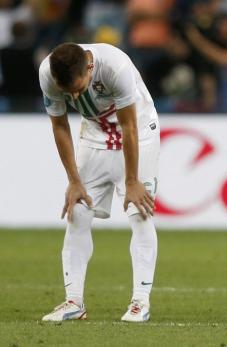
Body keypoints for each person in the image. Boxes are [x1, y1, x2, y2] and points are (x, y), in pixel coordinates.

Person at [38, 42, 160, 322]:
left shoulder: (115, 66)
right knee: (77, 212)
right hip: (94, 137)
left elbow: (128, 126)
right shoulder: (48, 73)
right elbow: (59, 125)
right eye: (68, 92)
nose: (75, 96)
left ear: (90, 68)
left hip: (139, 133)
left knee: (139, 213)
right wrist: (74, 180)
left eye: (79, 88)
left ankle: (140, 302)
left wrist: (132, 181)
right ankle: (73, 302)